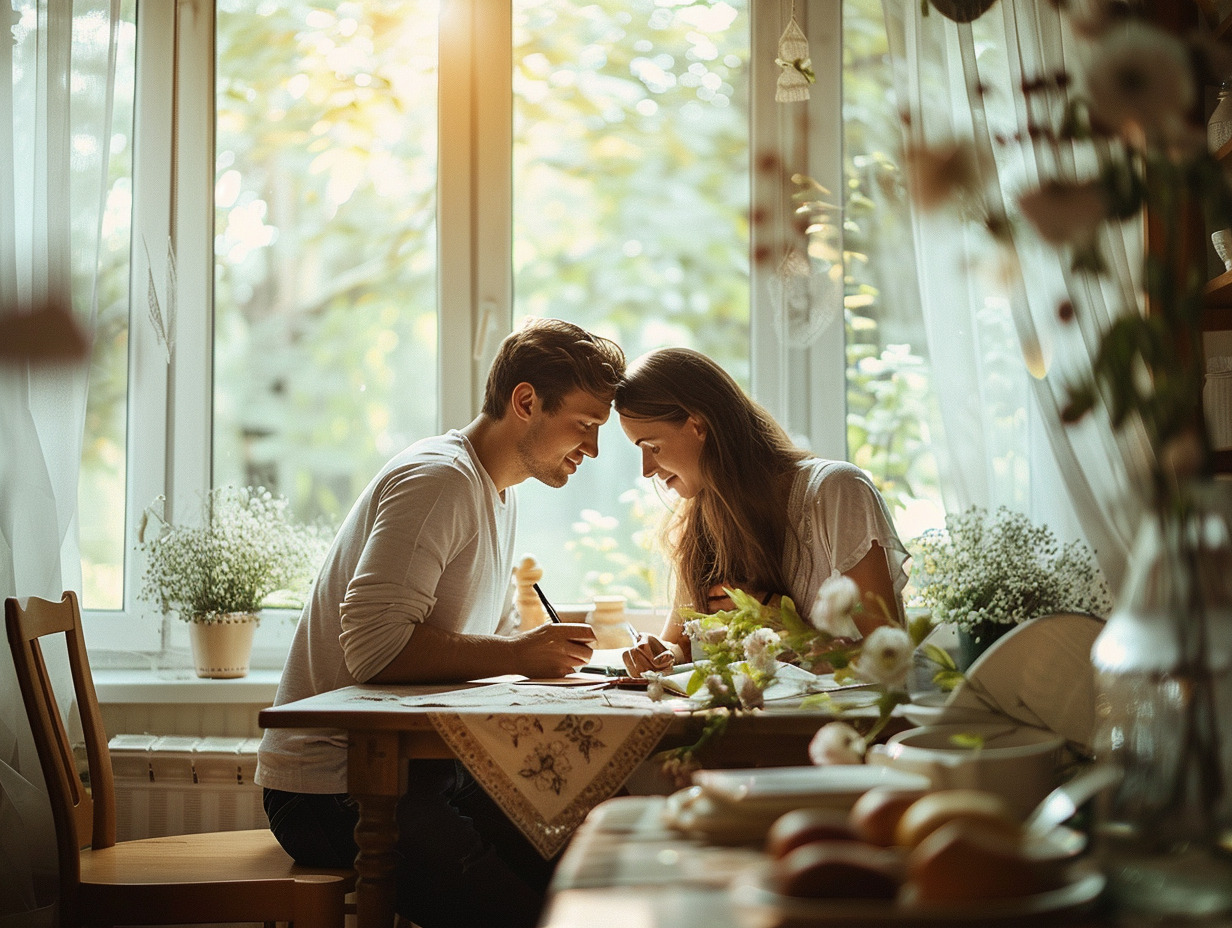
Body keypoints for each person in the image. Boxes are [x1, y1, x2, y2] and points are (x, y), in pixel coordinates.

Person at [255, 318, 626, 928]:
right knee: (524, 910)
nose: (592, 449)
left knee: (581, 852)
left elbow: (482, 642)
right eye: (585, 426)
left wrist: (546, 656)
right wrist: (519, 654)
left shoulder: (498, 492)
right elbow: (375, 651)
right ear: (526, 402)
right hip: (332, 788)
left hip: (425, 770)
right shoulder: (439, 481)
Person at [615, 347, 909, 676]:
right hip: (752, 722)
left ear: (698, 425)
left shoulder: (836, 491)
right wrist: (658, 653)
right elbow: (679, 645)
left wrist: (785, 631)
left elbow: (891, 656)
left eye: (653, 447)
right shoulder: (701, 514)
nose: (646, 469)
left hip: (844, 722)